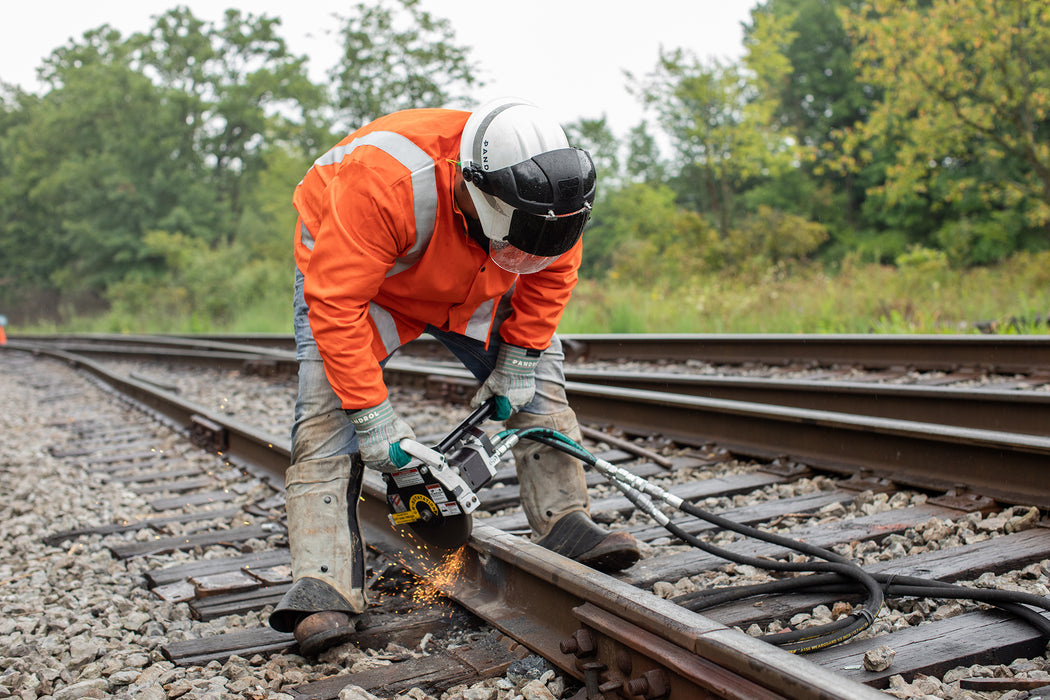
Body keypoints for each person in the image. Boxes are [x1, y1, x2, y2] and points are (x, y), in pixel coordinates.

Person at [268, 97, 641, 654]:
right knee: (327, 417)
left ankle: (567, 521)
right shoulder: (383, 182)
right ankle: (322, 583)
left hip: (474, 277)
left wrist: (520, 358)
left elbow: (550, 276)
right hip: (366, 286)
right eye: (518, 239)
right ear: (481, 195)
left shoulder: (551, 200)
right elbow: (337, 304)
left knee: (540, 383)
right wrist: (372, 416)